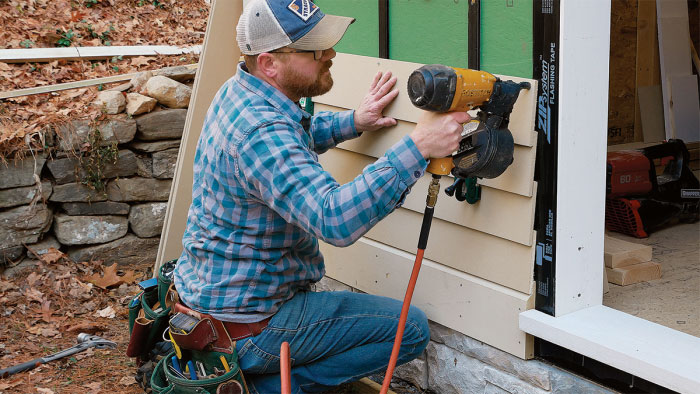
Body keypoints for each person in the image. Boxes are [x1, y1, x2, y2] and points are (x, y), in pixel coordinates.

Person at [173, 0, 470, 392]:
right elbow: (335, 218)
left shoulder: (241, 91)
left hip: (211, 308)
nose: (330, 54)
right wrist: (417, 146)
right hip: (250, 327)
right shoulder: (261, 133)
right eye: (314, 50)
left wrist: (353, 121)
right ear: (269, 64)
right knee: (409, 330)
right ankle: (267, 388)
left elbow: (290, 140)